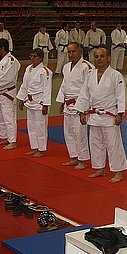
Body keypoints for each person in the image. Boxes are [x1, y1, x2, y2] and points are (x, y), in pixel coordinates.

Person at [75, 45, 127, 183]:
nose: (99, 59)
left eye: (102, 56)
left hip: (110, 114)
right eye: (96, 56)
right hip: (94, 115)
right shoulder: (90, 75)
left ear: (108, 58)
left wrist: (120, 113)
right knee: (96, 143)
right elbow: (84, 95)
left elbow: (121, 96)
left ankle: (118, 171)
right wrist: (81, 112)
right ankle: (99, 168)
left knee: (113, 144)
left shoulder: (116, 75)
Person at [56, 42, 93, 170]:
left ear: (80, 52)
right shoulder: (66, 67)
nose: (71, 54)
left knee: (80, 133)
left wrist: (83, 109)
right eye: (69, 52)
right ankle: (75, 157)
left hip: (79, 104)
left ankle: (83, 160)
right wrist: (62, 101)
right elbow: (64, 85)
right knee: (69, 132)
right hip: (68, 104)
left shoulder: (87, 67)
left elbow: (88, 89)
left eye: (73, 51)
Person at [16, 49, 52, 158]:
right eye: (31, 55)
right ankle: (35, 147)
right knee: (31, 126)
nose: (32, 58)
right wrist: (21, 99)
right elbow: (24, 85)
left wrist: (46, 105)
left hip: (40, 102)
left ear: (40, 58)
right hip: (29, 100)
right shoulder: (28, 69)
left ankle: (42, 149)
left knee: (40, 126)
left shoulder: (46, 71)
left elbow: (47, 89)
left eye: (35, 56)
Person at [0, 38, 21, 150]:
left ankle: (13, 141)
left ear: (3, 48)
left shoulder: (12, 61)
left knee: (8, 117)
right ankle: (5, 137)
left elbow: (9, 78)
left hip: (7, 93)